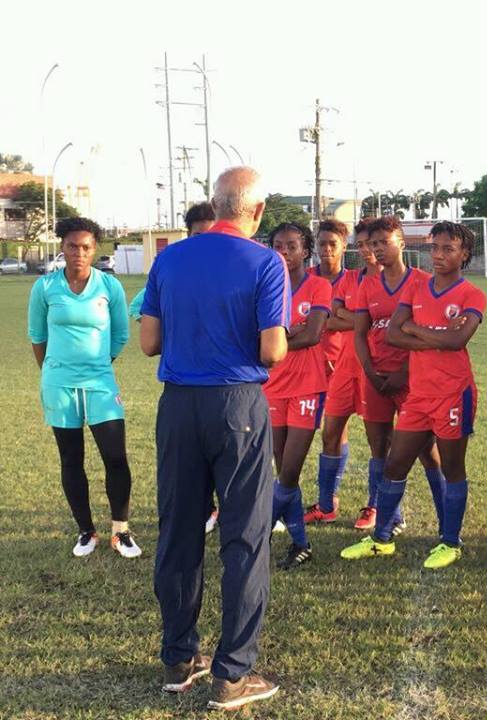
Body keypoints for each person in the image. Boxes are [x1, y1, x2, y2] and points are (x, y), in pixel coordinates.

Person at [140, 167, 288, 711]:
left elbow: (148, 341)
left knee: (178, 530)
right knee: (245, 537)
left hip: (178, 404)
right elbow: (272, 349)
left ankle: (179, 658)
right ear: (257, 210)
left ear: (215, 203)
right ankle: (232, 673)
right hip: (237, 405)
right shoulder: (265, 262)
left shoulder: (171, 257)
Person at [341, 221, 486, 569]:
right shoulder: (417, 290)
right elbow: (392, 335)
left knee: (452, 468)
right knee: (395, 463)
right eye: (434, 248)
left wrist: (415, 330)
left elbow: (456, 342)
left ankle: (450, 542)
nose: (438, 255)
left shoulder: (471, 294)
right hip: (418, 395)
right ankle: (381, 539)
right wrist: (433, 336)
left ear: (464, 254)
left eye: (447, 249)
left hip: (454, 393)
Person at [28, 217, 138, 559]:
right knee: (70, 458)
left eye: (86, 247)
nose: (79, 252)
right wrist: (53, 370)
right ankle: (85, 531)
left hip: (100, 383)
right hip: (59, 385)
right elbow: (37, 337)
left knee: (115, 457)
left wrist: (98, 364)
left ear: (95, 250)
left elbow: (120, 334)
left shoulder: (109, 287)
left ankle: (121, 531)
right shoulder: (45, 288)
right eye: (73, 246)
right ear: (62, 247)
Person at [349, 216, 445, 538]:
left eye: (384, 242)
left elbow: (428, 334)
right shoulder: (367, 285)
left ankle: (447, 521)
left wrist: (405, 372)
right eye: (373, 243)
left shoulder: (422, 282)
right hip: (376, 379)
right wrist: (371, 372)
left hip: (413, 380)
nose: (377, 249)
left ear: (401, 243)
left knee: (427, 451)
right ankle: (390, 518)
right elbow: (360, 334)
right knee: (380, 449)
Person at [129, 201, 220, 536]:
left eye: (213, 235)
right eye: (199, 235)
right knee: (192, 467)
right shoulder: (173, 265)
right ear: (188, 234)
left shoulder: (230, 269)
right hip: (186, 385)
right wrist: (170, 333)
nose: (206, 244)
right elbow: (140, 309)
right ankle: (208, 510)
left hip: (226, 385)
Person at [263, 222, 332, 570]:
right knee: (283, 471)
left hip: (307, 386)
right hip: (271, 386)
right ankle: (300, 544)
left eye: (292, 246)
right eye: (278, 245)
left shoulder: (319, 286)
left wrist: (277, 338)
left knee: (288, 473)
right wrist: (291, 333)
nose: (285, 252)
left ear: (306, 250)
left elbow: (314, 334)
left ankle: (254, 538)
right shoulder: (266, 286)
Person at [306, 218, 382, 529]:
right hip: (312, 367)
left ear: (343, 246)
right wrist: (364, 319)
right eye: (321, 243)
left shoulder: (354, 279)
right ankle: (327, 503)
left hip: (352, 364)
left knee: (377, 438)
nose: (326, 250)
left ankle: (379, 506)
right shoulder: (307, 278)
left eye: (332, 244)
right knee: (331, 433)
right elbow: (335, 319)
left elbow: (360, 320)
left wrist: (349, 319)